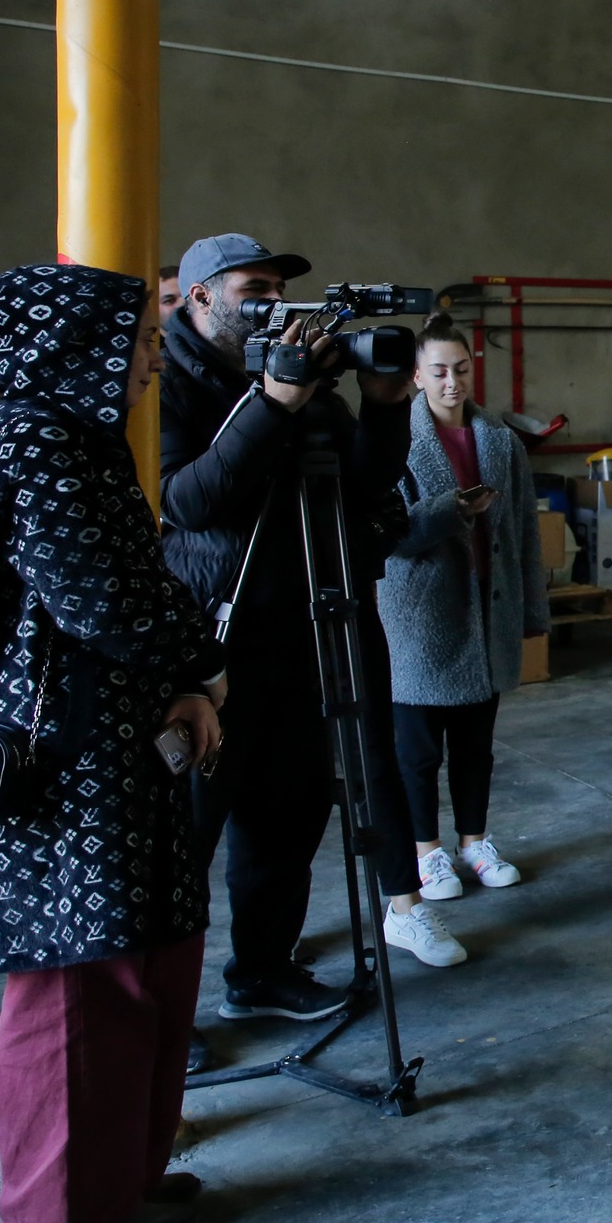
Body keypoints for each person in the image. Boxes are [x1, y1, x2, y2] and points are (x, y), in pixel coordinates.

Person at [0, 264, 227, 1223]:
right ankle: (65, 1215)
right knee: (78, 981)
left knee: (142, 961)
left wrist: (183, 674)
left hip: (114, 745)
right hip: (66, 757)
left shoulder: (79, 435)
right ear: (74, 345)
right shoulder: (39, 437)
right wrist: (202, 658)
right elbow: (102, 600)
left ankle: (126, 1175)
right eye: (140, 340)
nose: (152, 357)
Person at [159, 234, 465, 1036]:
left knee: (287, 816)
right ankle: (157, 1021)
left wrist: (386, 405)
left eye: (278, 289)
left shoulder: (305, 372)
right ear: (201, 297)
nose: (272, 303)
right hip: (209, 643)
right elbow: (187, 502)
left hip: (306, 631)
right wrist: (272, 403)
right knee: (183, 834)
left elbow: (361, 486)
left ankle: (262, 972)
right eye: (253, 290)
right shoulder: (168, 382)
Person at [378, 315, 548, 908]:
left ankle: (474, 841)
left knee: (477, 745)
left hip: (487, 607)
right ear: (417, 376)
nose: (453, 382)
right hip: (420, 615)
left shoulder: (500, 440)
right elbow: (388, 534)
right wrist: (453, 509)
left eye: (462, 369)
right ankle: (426, 852)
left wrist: (531, 611)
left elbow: (525, 531)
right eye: (439, 372)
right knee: (419, 751)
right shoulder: (394, 440)